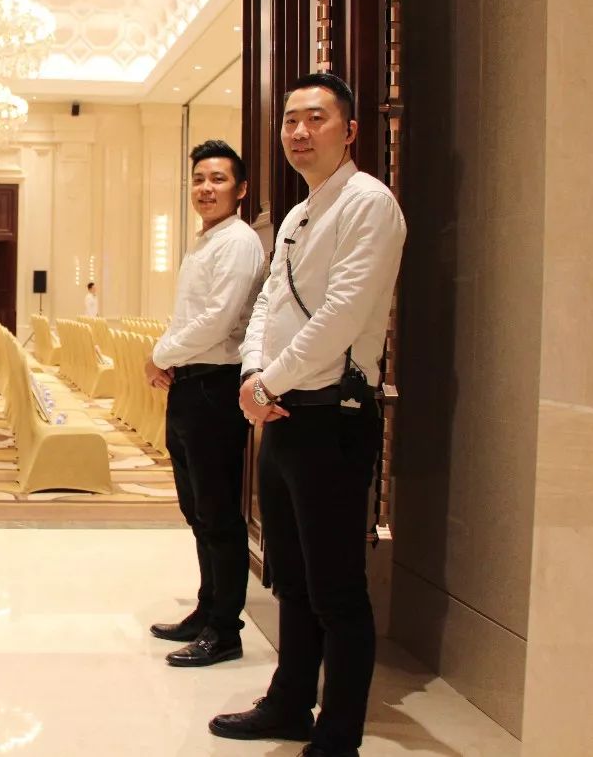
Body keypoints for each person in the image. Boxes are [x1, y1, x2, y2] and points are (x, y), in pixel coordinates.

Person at [209, 73, 405, 757]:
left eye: (315, 118)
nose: (298, 131)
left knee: (337, 589)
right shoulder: (297, 214)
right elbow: (268, 303)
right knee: (290, 577)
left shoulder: (369, 203)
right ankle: (290, 702)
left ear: (349, 131)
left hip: (333, 417)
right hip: (284, 414)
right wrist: (252, 374)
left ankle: (338, 734)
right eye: (290, 119)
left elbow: (342, 315)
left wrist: (269, 381)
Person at [146, 140, 264, 668]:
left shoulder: (237, 242)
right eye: (198, 179)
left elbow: (218, 320)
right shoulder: (205, 242)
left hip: (216, 387)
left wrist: (159, 355)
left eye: (218, 179)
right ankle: (207, 607)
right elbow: (189, 317)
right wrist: (171, 358)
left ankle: (225, 628)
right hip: (191, 386)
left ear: (240, 190)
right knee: (197, 509)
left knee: (218, 514)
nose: (205, 188)